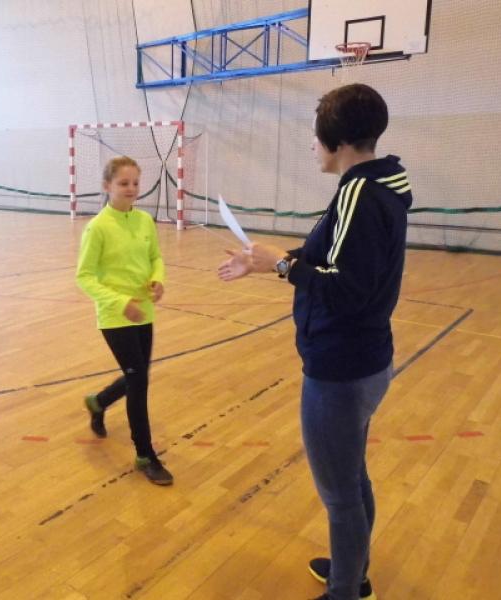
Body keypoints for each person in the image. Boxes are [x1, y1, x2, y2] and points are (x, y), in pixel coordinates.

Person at [218, 84, 412, 600]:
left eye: (315, 136)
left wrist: (283, 266)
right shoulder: (380, 185)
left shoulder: (358, 194)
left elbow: (344, 288)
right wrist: (272, 260)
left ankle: (345, 590)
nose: (312, 145)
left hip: (340, 369)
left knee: (341, 495)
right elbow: (332, 254)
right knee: (353, 479)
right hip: (366, 361)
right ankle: (353, 570)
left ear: (337, 141)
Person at [76, 156, 173, 486]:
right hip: (115, 317)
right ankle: (145, 454)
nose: (131, 189)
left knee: (138, 375)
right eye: (123, 183)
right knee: (138, 382)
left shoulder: (145, 221)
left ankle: (99, 402)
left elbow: (155, 258)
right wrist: (120, 303)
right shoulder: (98, 227)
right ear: (107, 186)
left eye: (135, 183)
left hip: (144, 311)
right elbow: (84, 277)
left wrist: (158, 280)